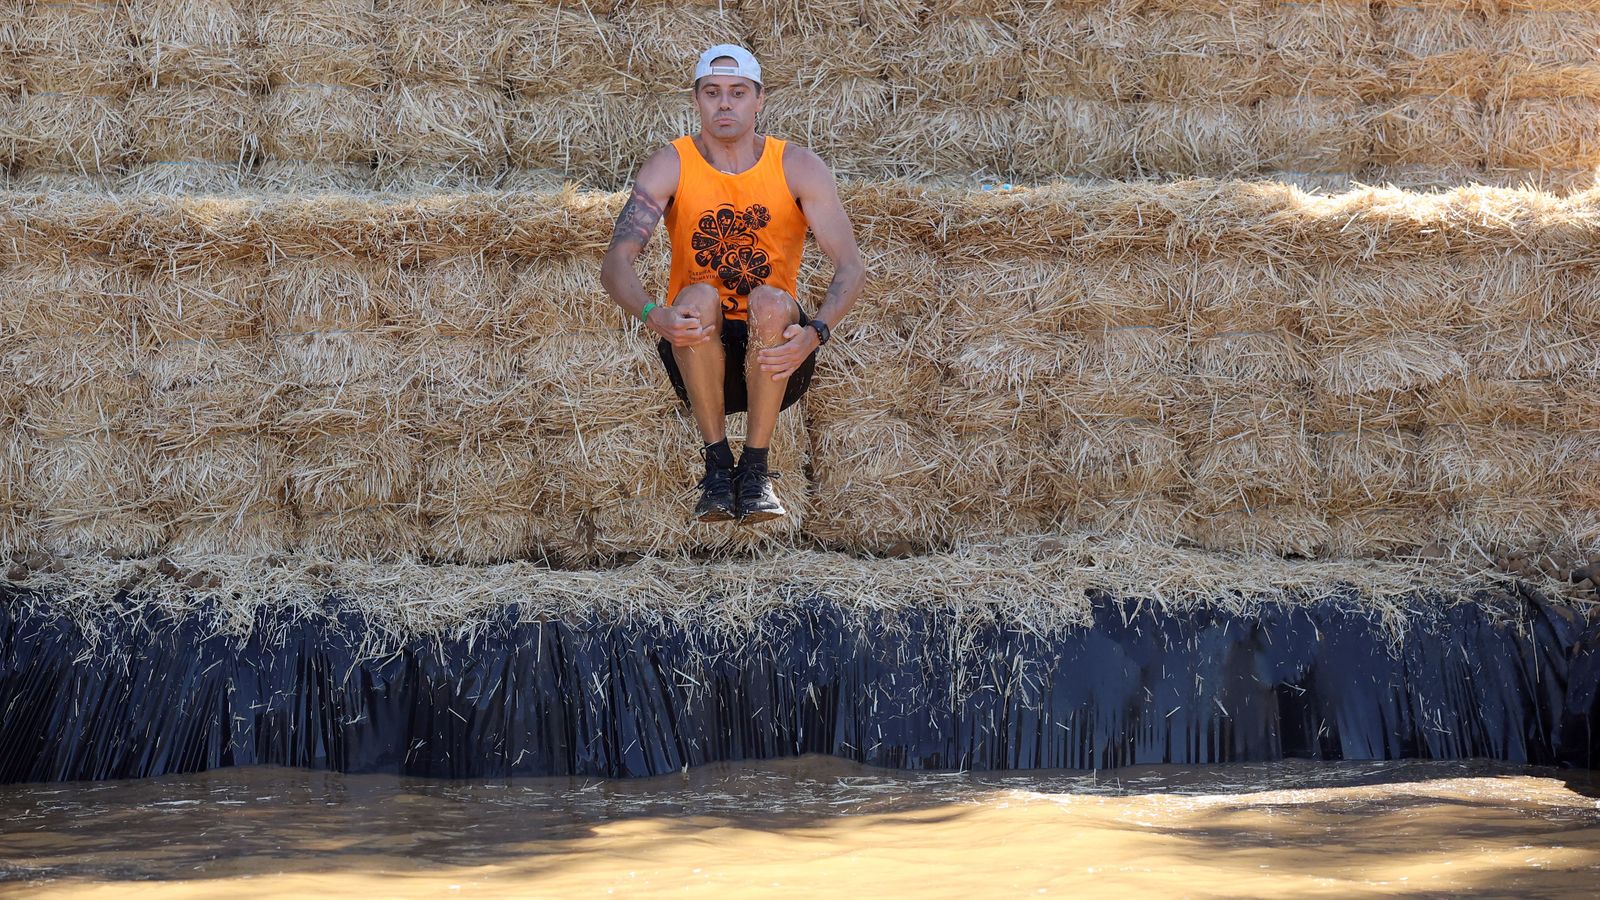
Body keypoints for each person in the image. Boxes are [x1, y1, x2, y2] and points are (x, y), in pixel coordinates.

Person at [600, 44, 866, 524]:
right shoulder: (671, 163)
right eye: (713, 93)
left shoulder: (798, 166)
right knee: (697, 297)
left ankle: (756, 471)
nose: (725, 104)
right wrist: (651, 313)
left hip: (778, 352)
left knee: (768, 300)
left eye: (738, 93)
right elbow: (616, 261)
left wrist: (816, 333)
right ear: (697, 100)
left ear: (759, 100)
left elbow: (850, 265)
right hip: (698, 348)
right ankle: (718, 466)